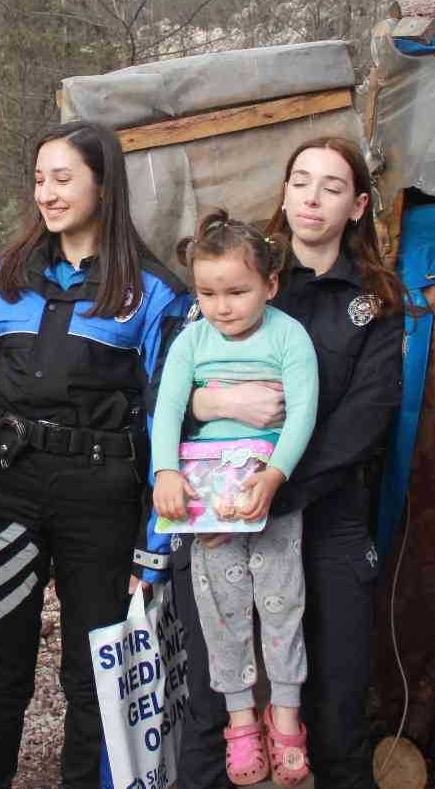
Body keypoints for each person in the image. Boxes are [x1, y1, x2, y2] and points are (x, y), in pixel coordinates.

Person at [167, 137, 409, 789]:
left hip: (325, 520)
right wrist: (214, 400)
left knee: (335, 713)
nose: (311, 197)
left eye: (332, 186)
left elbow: (366, 419)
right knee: (215, 709)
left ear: (358, 206)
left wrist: (275, 489)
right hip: (221, 515)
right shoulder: (238, 267)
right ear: (283, 191)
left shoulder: (376, 302)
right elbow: (168, 390)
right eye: (300, 180)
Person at [0, 120, 191, 789]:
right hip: (9, 484)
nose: (47, 194)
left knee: (94, 667)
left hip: (101, 493)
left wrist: (153, 539)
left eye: (63, 178)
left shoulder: (153, 291)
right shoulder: (2, 275)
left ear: (103, 185)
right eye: (39, 179)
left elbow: (167, 413)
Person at [149, 211, 320, 786]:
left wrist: (275, 477)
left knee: (282, 601)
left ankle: (286, 713)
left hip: (267, 492)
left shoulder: (289, 336)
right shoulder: (191, 341)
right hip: (209, 499)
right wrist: (165, 472)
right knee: (220, 609)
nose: (221, 307)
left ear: (270, 285)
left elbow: (304, 412)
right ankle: (240, 718)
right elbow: (168, 409)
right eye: (207, 293)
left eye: (236, 292)